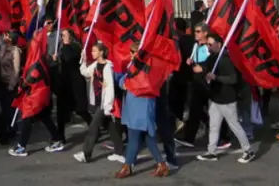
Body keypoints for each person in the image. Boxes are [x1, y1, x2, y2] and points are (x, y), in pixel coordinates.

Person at [196, 32, 256, 163]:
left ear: (219, 44)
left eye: (210, 44)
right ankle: (211, 152)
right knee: (213, 126)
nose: (208, 47)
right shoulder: (213, 57)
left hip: (226, 99)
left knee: (235, 126)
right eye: (207, 44)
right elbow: (204, 66)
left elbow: (233, 79)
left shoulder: (226, 59)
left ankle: (248, 150)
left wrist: (216, 77)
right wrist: (195, 65)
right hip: (215, 98)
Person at [115, 44, 167, 178]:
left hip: (143, 107)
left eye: (134, 52)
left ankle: (127, 167)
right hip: (134, 106)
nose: (132, 54)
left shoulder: (149, 68)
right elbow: (122, 81)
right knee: (148, 139)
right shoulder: (133, 66)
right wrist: (124, 83)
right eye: (131, 52)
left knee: (134, 137)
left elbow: (147, 85)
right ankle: (161, 164)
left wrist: (128, 83)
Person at [73, 41, 122, 164]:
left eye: (94, 51)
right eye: (92, 50)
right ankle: (120, 151)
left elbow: (110, 87)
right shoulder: (95, 65)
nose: (92, 53)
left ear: (101, 52)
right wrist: (83, 60)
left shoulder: (107, 67)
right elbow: (85, 72)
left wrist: (108, 106)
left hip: (104, 103)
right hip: (98, 101)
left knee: (93, 126)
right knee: (110, 127)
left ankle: (86, 153)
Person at [175, 23, 212, 148]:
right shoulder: (195, 45)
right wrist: (190, 62)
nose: (195, 33)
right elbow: (194, 61)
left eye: (198, 31)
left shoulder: (208, 46)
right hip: (196, 80)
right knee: (194, 108)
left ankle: (223, 136)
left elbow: (213, 62)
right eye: (195, 31)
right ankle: (189, 137)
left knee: (215, 110)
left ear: (205, 33)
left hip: (207, 80)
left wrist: (203, 69)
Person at [55, 28, 85, 128]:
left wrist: (66, 44)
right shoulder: (61, 47)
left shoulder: (75, 46)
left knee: (80, 109)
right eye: (61, 35)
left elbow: (69, 58)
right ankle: (59, 134)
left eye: (64, 35)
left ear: (70, 36)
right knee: (61, 110)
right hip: (64, 80)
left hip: (75, 80)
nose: (62, 37)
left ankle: (95, 127)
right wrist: (56, 59)